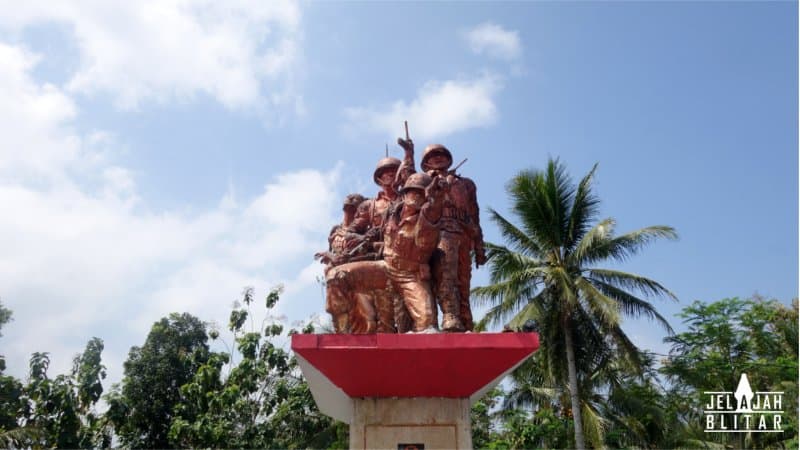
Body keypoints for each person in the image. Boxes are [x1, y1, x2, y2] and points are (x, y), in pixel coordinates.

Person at [421, 144, 487, 331]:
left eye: (441, 155)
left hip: (464, 233)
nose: (438, 158)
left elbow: (474, 214)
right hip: (440, 231)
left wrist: (480, 245)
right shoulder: (423, 181)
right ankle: (450, 315)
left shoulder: (466, 184)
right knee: (446, 274)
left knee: (463, 279)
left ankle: (466, 320)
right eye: (433, 156)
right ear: (426, 163)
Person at [383, 172, 446, 332]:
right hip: (385, 270)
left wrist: (435, 199)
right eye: (412, 192)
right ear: (404, 195)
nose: (416, 196)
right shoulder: (391, 215)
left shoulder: (426, 218)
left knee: (426, 322)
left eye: (420, 193)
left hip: (410, 275)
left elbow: (431, 219)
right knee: (339, 276)